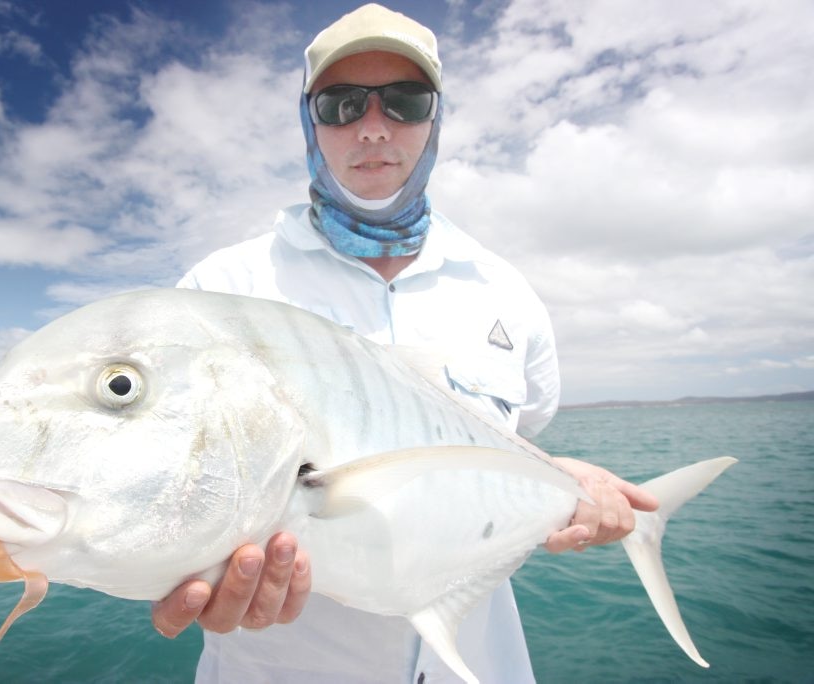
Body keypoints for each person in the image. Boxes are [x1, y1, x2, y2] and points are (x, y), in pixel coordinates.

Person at [152, 4, 659, 682]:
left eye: (404, 101)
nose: (372, 128)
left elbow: (508, 444)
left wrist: (564, 480)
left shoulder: (506, 292)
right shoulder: (221, 288)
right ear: (309, 119)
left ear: (435, 118)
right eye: (341, 104)